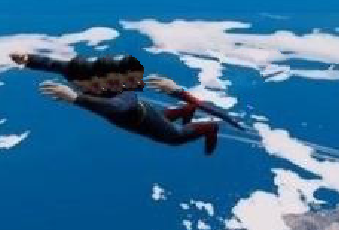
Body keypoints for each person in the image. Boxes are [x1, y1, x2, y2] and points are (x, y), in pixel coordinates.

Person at [11, 52, 220, 155]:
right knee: (164, 117)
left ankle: (210, 127)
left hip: (141, 119)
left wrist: (75, 98)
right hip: (142, 115)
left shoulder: (119, 93)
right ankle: (186, 110)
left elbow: (117, 107)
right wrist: (28, 59)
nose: (79, 86)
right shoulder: (78, 72)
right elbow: (53, 64)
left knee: (175, 137)